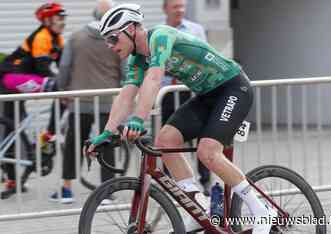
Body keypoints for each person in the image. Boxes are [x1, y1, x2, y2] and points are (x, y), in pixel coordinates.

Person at [87, 3, 277, 233]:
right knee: (165, 141)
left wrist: (138, 119)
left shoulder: (160, 36)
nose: (110, 45)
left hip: (233, 88)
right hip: (207, 96)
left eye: (113, 38)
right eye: (106, 39)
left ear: (132, 29)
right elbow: (127, 93)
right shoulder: (137, 59)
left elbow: (154, 79)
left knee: (207, 152)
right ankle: (200, 209)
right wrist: (107, 132)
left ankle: (262, 211)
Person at [49, 0, 122, 204]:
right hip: (109, 101)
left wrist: (63, 89)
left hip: (80, 101)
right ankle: (107, 190)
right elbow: (126, 70)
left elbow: (64, 68)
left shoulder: (76, 37)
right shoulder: (117, 39)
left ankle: (66, 189)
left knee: (74, 143)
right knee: (106, 144)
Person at [0, 2, 67, 198]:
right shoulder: (41, 37)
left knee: (15, 128)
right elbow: (43, 70)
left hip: (22, 81)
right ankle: (48, 136)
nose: (62, 22)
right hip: (9, 79)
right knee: (55, 87)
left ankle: (14, 179)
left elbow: (62, 67)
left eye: (64, 18)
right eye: (58, 18)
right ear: (47, 20)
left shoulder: (58, 39)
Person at [161, 0, 211, 196]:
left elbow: (206, 57)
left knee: (201, 138)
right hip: (167, 93)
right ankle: (169, 182)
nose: (180, 10)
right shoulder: (159, 32)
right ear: (165, 9)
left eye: (182, 6)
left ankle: (205, 181)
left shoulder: (195, 30)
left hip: (191, 92)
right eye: (175, 6)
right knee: (167, 138)